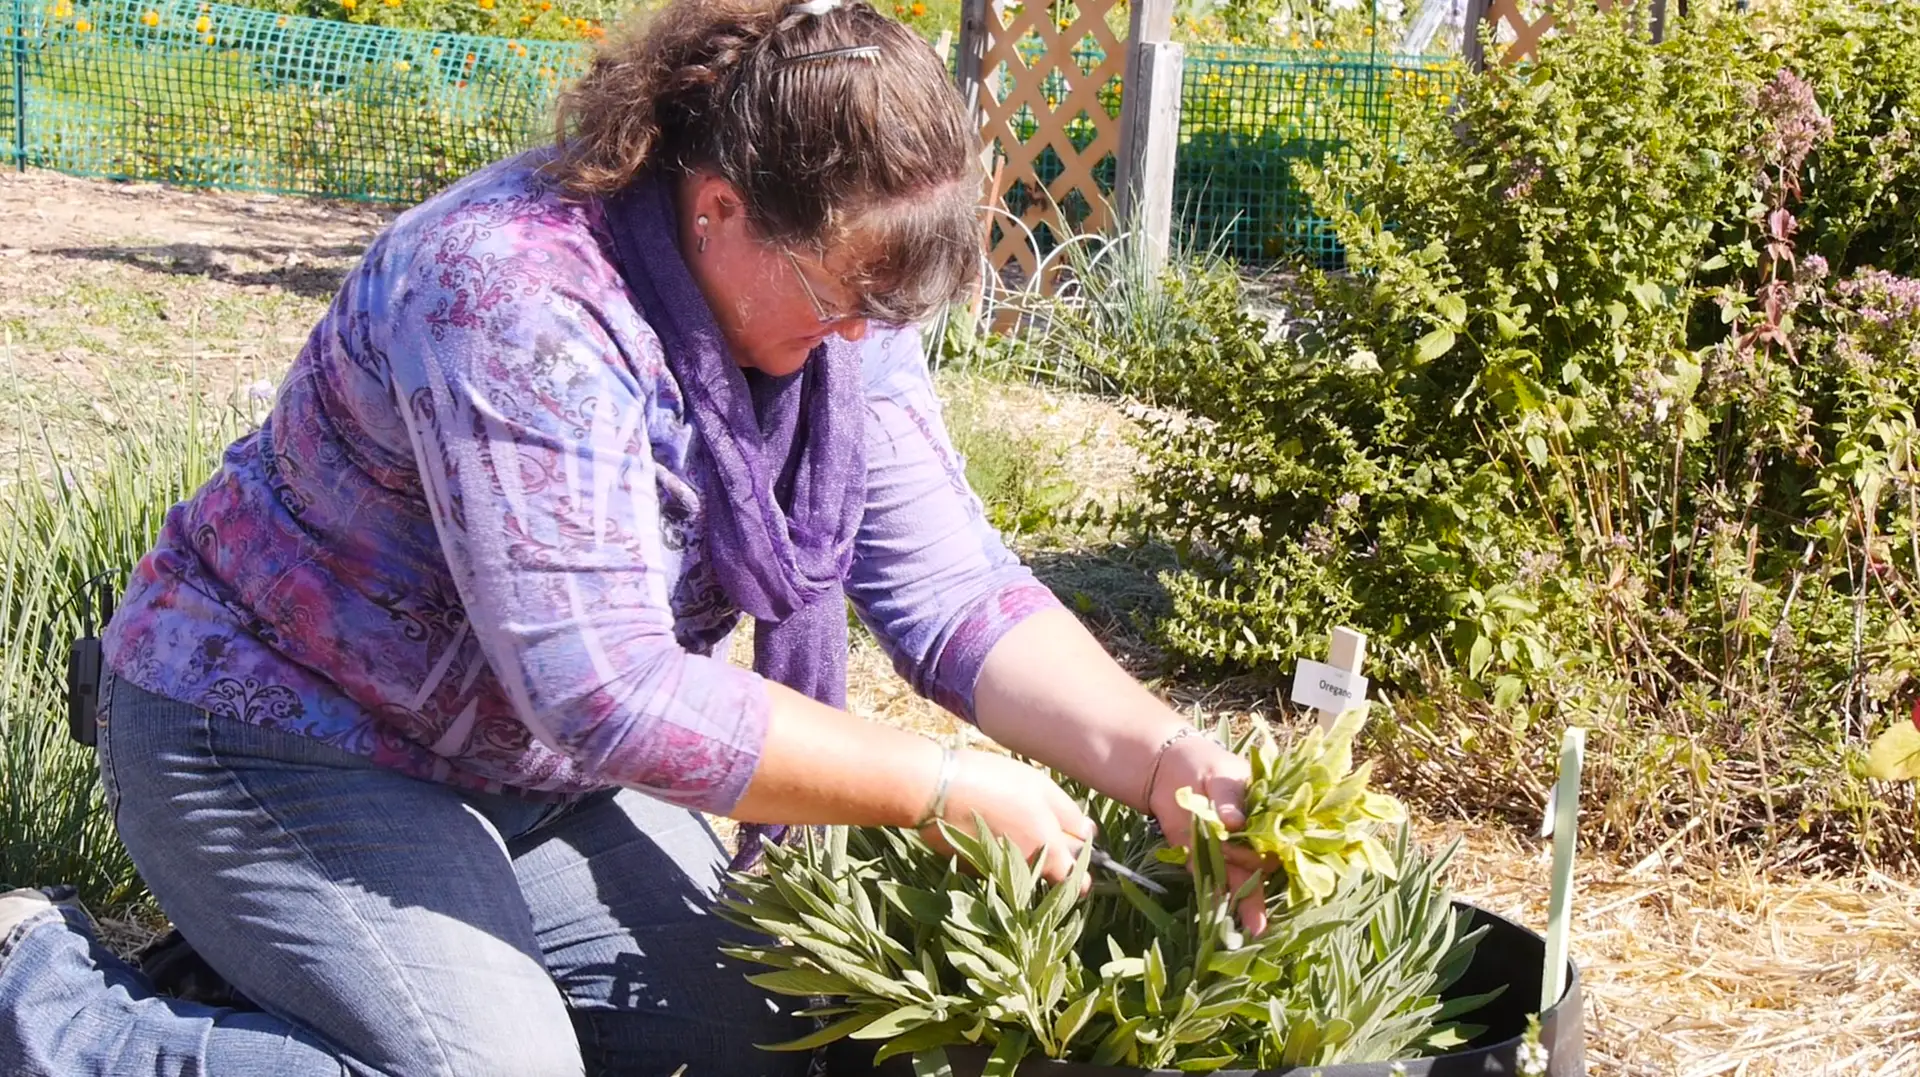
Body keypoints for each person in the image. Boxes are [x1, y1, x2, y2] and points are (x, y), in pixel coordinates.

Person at [0, 0, 1266, 1073]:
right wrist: (941, 788)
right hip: (281, 737)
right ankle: (46, 999)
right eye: (842, 302)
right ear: (717, 208)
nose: (866, 343)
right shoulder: (511, 293)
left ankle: (300, 971)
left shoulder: (841, 314)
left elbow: (951, 589)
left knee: (777, 1028)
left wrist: (1162, 760)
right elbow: (604, 693)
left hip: (528, 776)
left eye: (890, 312)